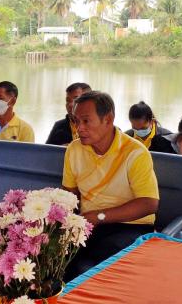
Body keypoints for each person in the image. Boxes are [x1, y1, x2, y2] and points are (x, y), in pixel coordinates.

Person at [62, 91, 159, 281]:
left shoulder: (135, 153)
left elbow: (149, 203)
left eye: (86, 121)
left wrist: (98, 217)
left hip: (130, 226)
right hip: (89, 224)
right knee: (51, 259)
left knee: (94, 267)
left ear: (108, 119)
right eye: (75, 121)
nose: (79, 128)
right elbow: (69, 195)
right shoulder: (74, 149)